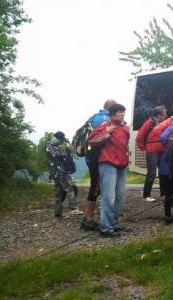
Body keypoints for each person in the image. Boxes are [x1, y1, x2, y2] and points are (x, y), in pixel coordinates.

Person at [88, 103, 130, 238]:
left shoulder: (125, 127)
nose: (122, 114)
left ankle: (114, 224)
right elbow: (92, 140)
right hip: (107, 162)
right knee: (108, 196)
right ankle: (106, 227)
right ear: (112, 114)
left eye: (123, 112)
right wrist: (107, 133)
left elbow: (125, 145)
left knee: (120, 196)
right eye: (119, 112)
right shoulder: (105, 124)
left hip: (122, 164)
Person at [81, 99, 116, 231]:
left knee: (95, 187)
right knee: (96, 187)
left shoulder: (94, 117)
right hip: (96, 158)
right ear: (112, 109)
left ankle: (87, 217)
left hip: (90, 156)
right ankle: (88, 219)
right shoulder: (105, 119)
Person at [135, 105, 167, 202]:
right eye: (164, 114)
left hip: (161, 150)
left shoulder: (163, 124)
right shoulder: (150, 123)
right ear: (158, 115)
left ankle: (163, 193)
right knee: (152, 173)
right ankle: (146, 195)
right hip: (152, 150)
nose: (165, 116)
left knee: (163, 172)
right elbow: (140, 136)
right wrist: (143, 149)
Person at [46, 131, 80, 217]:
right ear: (56, 138)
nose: (61, 142)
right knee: (70, 188)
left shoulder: (54, 147)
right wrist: (66, 152)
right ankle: (74, 208)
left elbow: (65, 156)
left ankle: (58, 212)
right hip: (59, 172)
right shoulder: (50, 147)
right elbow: (58, 155)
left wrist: (67, 152)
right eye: (60, 140)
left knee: (59, 192)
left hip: (57, 172)